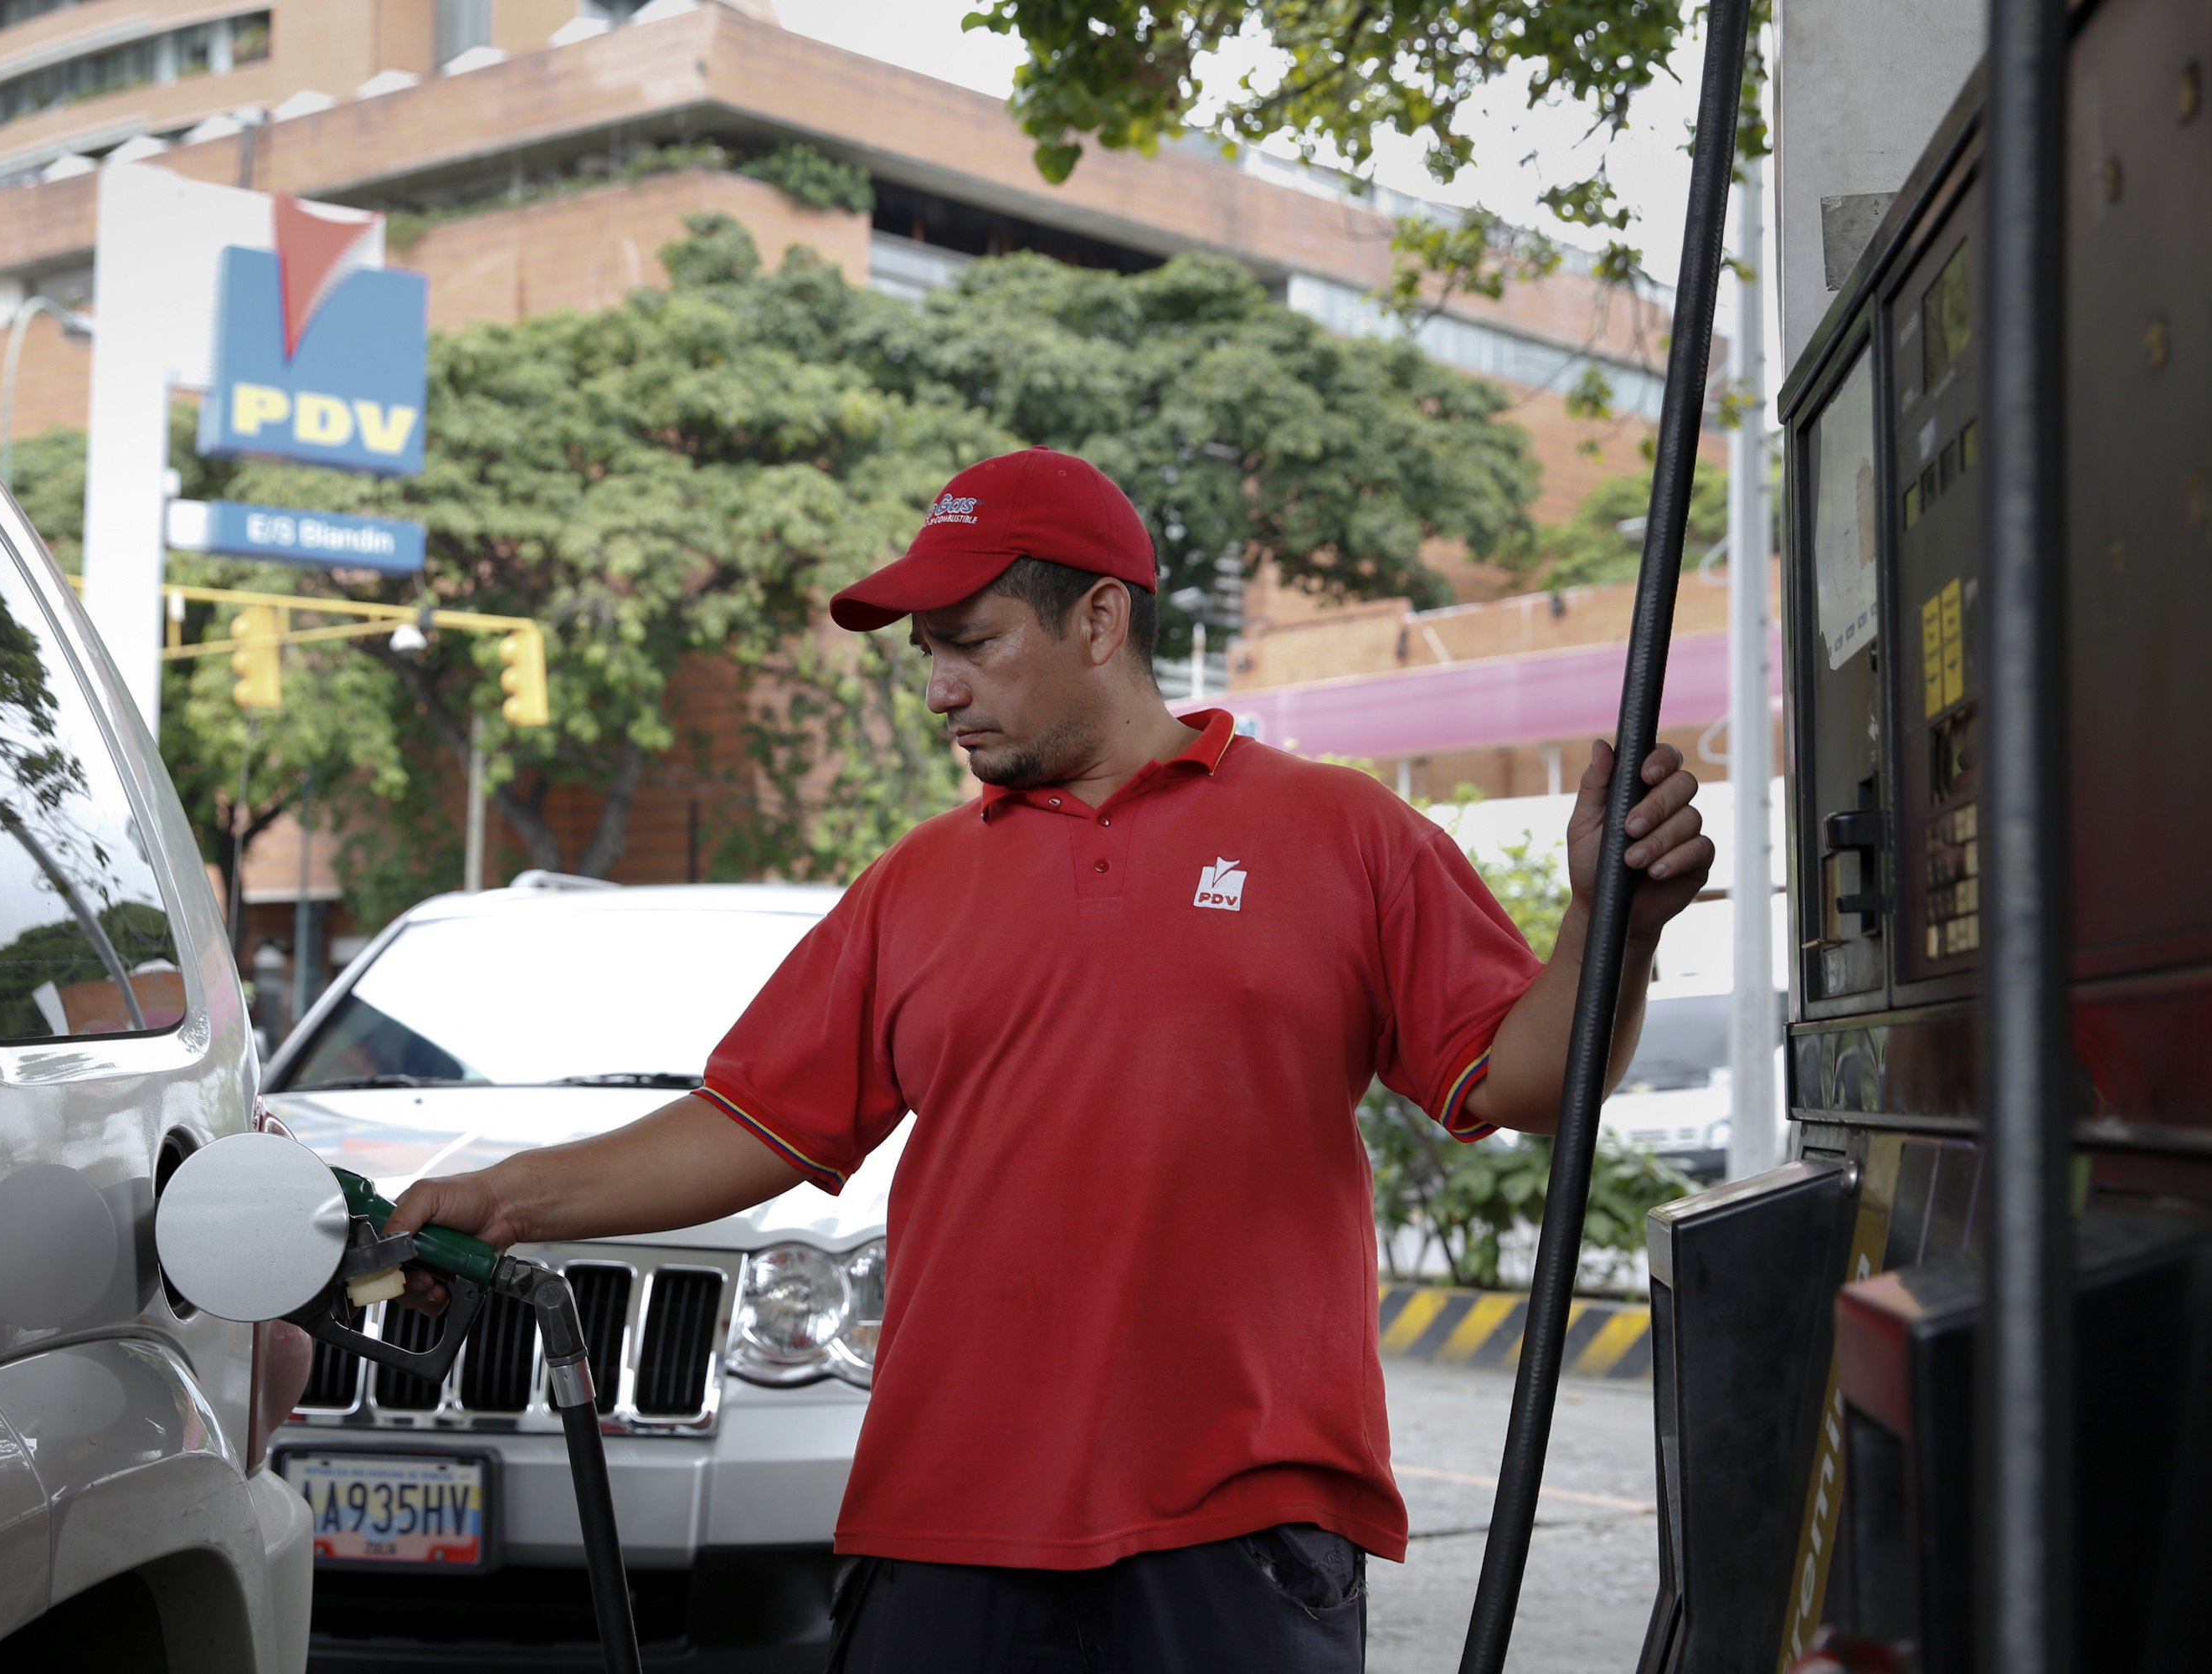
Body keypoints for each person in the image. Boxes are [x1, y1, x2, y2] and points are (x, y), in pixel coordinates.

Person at [388, 447, 1712, 1671]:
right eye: (926, 655)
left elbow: (1532, 1080)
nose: (939, 687)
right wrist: (503, 1199)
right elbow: (748, 1126)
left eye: (970, 643)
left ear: (1099, 619)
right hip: (947, 1525)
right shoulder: (914, 884)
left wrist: (1611, 927)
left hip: (1242, 1526)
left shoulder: (1343, 833)